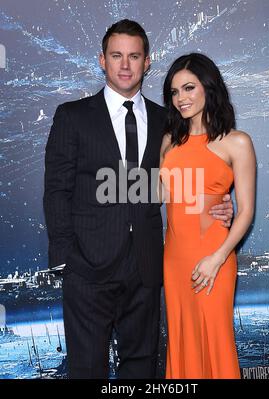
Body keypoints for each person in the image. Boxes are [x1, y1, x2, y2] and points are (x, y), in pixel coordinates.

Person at [43, 20, 233, 379]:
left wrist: (219, 202)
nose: (125, 65)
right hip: (87, 268)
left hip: (146, 266)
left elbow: (188, 176)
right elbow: (56, 189)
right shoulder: (73, 117)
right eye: (117, 55)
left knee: (141, 367)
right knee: (86, 370)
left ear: (148, 62)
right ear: (102, 60)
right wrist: (65, 260)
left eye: (134, 56)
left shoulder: (169, 121)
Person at [160, 53, 256, 379]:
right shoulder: (169, 142)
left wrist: (217, 258)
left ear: (208, 88)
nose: (181, 98)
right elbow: (160, 195)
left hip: (215, 256)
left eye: (188, 88)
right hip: (174, 260)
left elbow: (246, 212)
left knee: (216, 340)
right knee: (181, 340)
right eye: (174, 92)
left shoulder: (237, 142)